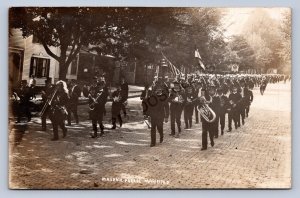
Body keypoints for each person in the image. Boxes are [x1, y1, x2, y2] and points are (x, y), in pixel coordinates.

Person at [199, 85, 217, 151]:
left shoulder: (213, 98)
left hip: (211, 117)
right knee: (204, 131)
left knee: (211, 131)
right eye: (201, 92)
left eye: (203, 92)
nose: (202, 93)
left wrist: (209, 103)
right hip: (204, 117)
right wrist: (201, 103)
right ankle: (204, 146)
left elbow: (216, 107)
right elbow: (198, 107)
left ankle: (212, 140)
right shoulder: (202, 98)